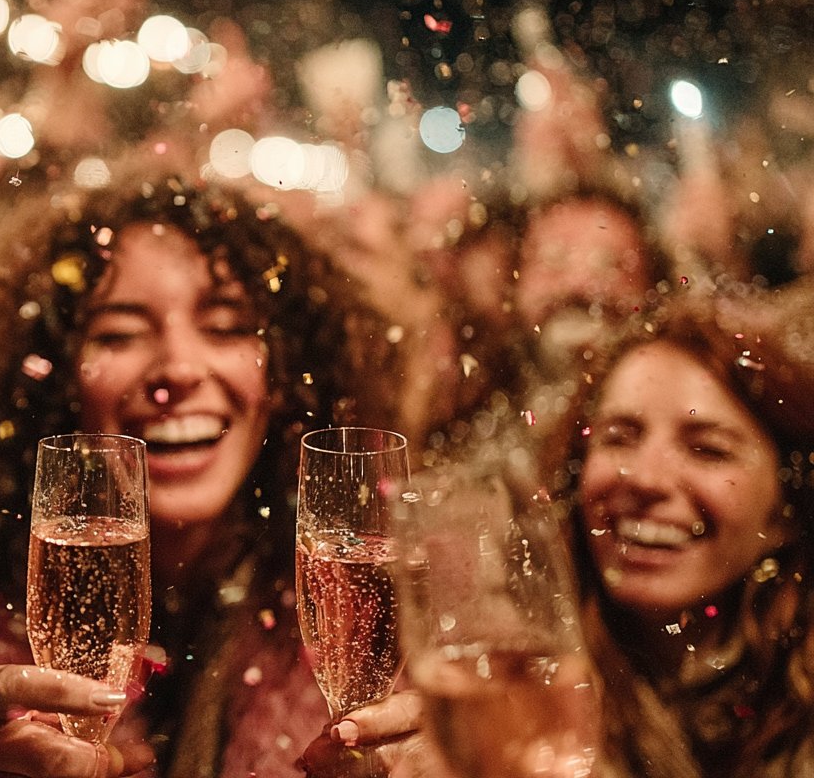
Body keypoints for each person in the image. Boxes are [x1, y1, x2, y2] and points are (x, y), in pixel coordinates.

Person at [0, 169, 397, 777]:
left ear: (286, 373)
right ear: (55, 379)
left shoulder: (387, 616)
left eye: (225, 327)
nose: (179, 368)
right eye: (121, 333)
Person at [303, 294, 814, 778]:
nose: (646, 478)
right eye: (619, 437)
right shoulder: (503, 667)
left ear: (788, 505)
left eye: (707, 449)